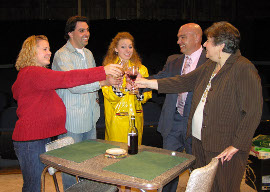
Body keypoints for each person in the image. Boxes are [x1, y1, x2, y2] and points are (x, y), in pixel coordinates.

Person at [135, 21, 263, 192]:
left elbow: (253, 111)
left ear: (221, 45)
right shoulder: (210, 65)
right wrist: (145, 82)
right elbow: (183, 81)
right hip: (199, 142)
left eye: (208, 41)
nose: (204, 44)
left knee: (222, 187)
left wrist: (237, 144)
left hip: (223, 148)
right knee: (202, 187)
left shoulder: (243, 69)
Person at [12, 35, 122, 192]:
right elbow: (68, 78)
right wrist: (102, 71)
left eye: (49, 48)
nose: (49, 52)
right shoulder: (32, 73)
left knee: (36, 184)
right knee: (33, 186)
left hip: (38, 139)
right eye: (44, 49)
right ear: (31, 52)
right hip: (31, 141)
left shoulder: (35, 74)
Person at [52, 15, 117, 189]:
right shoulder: (61, 55)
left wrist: (96, 98)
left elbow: (93, 82)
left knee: (90, 164)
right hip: (71, 121)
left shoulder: (88, 53)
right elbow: (73, 85)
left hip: (90, 118)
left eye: (87, 30)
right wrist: (103, 82)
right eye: (81, 30)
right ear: (70, 33)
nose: (86, 33)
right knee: (70, 165)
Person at [147, 23, 207, 192]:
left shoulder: (209, 62)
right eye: (178, 37)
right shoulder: (174, 61)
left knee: (198, 171)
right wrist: (139, 82)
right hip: (173, 122)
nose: (178, 41)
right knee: (168, 171)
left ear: (196, 38)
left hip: (196, 124)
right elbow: (161, 78)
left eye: (183, 37)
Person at [102, 32, 152, 145]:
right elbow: (109, 96)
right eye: (123, 47)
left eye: (130, 46)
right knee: (117, 152)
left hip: (136, 118)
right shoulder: (109, 69)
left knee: (134, 152)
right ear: (115, 49)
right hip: (116, 120)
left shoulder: (141, 69)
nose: (128, 50)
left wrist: (138, 93)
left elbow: (147, 95)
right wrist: (123, 89)